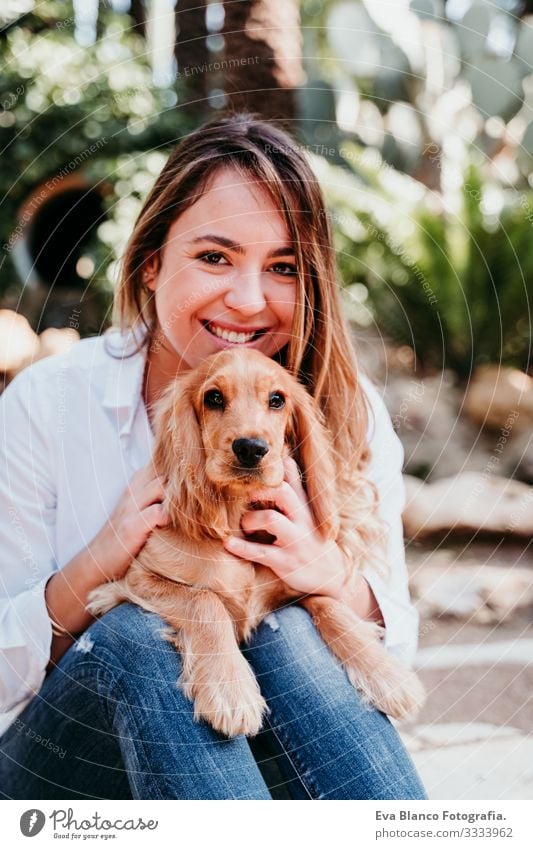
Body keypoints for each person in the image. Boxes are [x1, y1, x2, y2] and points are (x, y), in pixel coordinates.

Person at [0, 114, 426, 800]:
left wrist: (327, 576)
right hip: (63, 774)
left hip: (255, 764)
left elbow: (385, 668)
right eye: (214, 256)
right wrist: (103, 558)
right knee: (138, 636)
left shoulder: (342, 407)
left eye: (283, 267)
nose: (248, 299)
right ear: (150, 261)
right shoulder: (48, 402)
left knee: (290, 625)